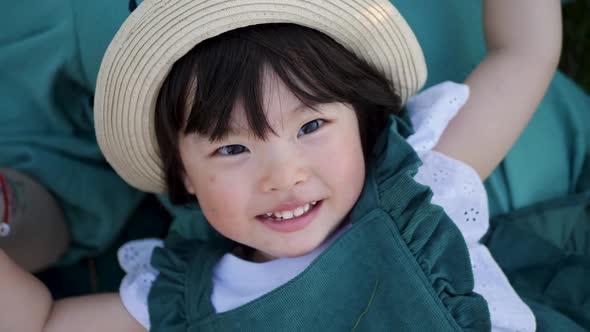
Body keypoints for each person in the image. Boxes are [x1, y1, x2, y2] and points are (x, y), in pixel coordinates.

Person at [0, 0, 561, 331]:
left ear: (362, 122)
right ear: (186, 176)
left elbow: (525, 52)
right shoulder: (192, 296)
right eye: (232, 149)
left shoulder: (417, 193)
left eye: (312, 127)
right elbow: (42, 322)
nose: (282, 175)